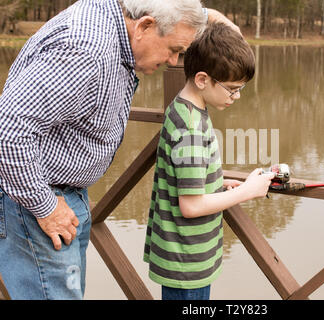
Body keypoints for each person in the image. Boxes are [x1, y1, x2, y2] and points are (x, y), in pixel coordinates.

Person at [0, 0, 237, 300]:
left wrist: (214, 20)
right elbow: (8, 131)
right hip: (33, 200)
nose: (175, 60)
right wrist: (45, 207)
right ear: (145, 26)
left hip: (62, 194)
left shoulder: (122, 12)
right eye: (174, 48)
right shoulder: (85, 50)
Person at [143, 22, 275, 300]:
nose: (237, 96)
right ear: (203, 80)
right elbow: (191, 206)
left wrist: (217, 180)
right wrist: (247, 191)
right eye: (232, 89)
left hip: (184, 256)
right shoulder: (190, 127)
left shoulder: (184, 108)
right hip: (187, 263)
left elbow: (187, 175)